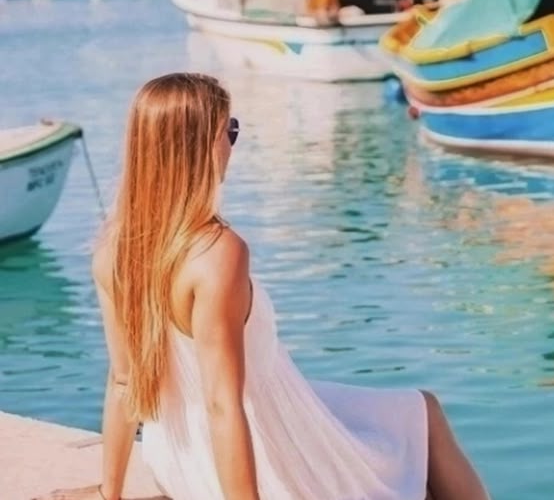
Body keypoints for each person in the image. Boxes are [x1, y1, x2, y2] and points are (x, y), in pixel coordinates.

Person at [48, 73, 490, 500]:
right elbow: (224, 403)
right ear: (200, 146)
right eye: (230, 130)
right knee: (423, 416)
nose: (232, 145)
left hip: (179, 452)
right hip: (265, 449)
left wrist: (111, 491)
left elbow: (123, 381)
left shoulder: (113, 249)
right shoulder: (216, 254)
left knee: (407, 425)